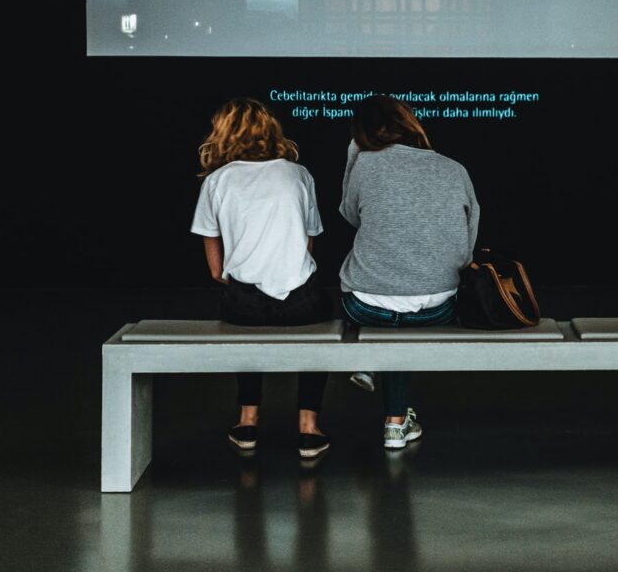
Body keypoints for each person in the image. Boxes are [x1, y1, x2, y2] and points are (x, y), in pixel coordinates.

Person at [190, 98, 332, 458]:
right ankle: (308, 427)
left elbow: (211, 244)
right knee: (320, 327)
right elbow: (309, 238)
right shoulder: (298, 174)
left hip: (245, 302)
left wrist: (225, 275)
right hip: (303, 300)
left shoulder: (217, 180)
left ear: (224, 133)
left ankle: (248, 420)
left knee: (243, 328)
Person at [339, 95, 480, 448]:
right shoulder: (454, 168)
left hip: (365, 305)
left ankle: (371, 365)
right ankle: (395, 422)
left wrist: (354, 156)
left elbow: (350, 215)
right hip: (438, 306)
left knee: (382, 310)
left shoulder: (364, 165)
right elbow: (466, 249)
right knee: (401, 314)